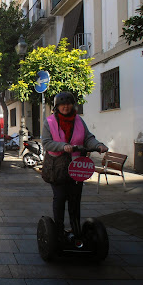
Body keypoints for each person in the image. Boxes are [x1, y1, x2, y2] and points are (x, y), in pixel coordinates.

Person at [41, 91, 108, 241]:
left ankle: (75, 228)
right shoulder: (50, 122)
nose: (66, 106)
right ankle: (58, 230)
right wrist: (63, 146)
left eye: (68, 104)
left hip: (77, 167)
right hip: (57, 167)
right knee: (60, 197)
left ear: (72, 105)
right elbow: (46, 142)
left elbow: (88, 138)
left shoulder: (79, 120)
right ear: (57, 106)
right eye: (62, 104)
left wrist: (98, 145)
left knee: (75, 198)